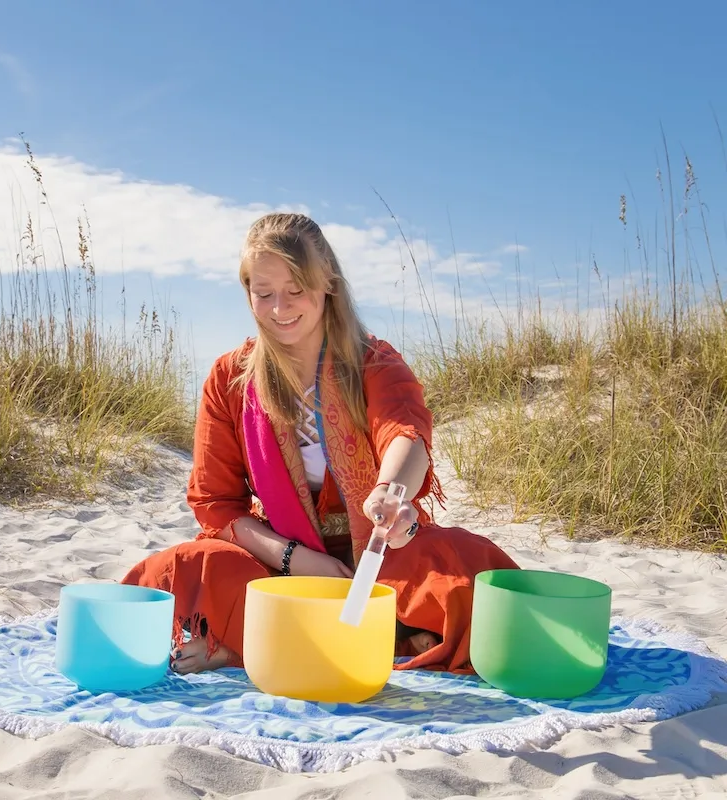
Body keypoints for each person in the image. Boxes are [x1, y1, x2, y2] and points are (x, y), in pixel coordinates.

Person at [122, 212, 519, 675]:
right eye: (263, 293)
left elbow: (404, 433)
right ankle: (391, 636)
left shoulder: (372, 361)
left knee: (463, 565)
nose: (279, 308)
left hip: (378, 553)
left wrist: (391, 492)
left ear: (327, 283)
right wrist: (295, 558)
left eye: (296, 290)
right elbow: (217, 506)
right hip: (279, 558)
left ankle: (259, 642)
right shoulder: (229, 378)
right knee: (190, 564)